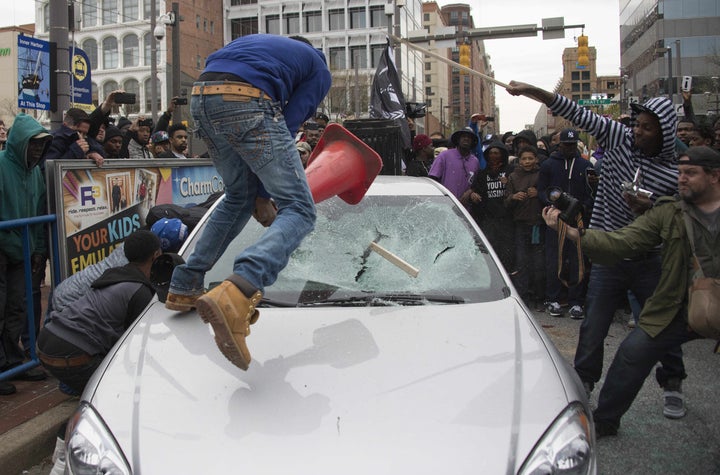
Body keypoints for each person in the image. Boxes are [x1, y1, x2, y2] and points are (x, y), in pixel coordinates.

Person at [506, 81, 687, 418]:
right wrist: (531, 90)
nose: (638, 132)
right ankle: (584, 384)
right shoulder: (618, 138)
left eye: (648, 128)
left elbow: (681, 216)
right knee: (593, 325)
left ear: (664, 131)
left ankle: (673, 382)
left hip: (650, 260)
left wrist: (651, 207)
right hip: (607, 256)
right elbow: (570, 109)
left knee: (664, 325)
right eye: (637, 124)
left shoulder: (675, 173)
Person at [164, 34, 331, 372]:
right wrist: (268, 195)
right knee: (299, 208)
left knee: (237, 197)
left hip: (201, 98)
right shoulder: (318, 67)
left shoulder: (261, 48)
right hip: (245, 99)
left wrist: (256, 195)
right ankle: (240, 289)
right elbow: (288, 122)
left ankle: (185, 284)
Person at [541, 145, 720, 438]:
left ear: (714, 176)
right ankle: (605, 421)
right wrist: (573, 233)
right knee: (632, 353)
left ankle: (672, 382)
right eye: (680, 173)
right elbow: (622, 242)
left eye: (691, 173)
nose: (682, 179)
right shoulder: (669, 213)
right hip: (680, 306)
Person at [0, 114, 52, 395]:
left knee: (17, 308)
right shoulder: (0, 165)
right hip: (3, 248)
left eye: (41, 146)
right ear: (20, 142)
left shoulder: (35, 174)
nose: (37, 150)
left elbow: (39, 213)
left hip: (22, 249)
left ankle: (13, 361)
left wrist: (38, 249)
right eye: (33, 144)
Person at [536, 128, 595, 319]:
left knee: (578, 258)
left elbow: (591, 193)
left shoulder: (584, 165)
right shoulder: (548, 165)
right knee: (554, 258)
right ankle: (552, 298)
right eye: (565, 144)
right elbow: (541, 191)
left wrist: (583, 208)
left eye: (572, 144)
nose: (569, 148)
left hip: (578, 219)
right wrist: (551, 204)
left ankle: (576, 302)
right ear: (559, 144)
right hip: (555, 219)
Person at [463, 139, 515, 272]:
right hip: (488, 219)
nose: (494, 156)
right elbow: (475, 190)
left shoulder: (511, 171)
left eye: (497, 153)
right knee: (490, 249)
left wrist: (508, 184)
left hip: (506, 219)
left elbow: (516, 190)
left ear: (503, 154)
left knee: (507, 251)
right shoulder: (482, 173)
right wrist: (473, 195)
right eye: (491, 153)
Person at [504, 145, 544, 309]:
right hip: (520, 225)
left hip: (538, 224)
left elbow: (551, 194)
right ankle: (523, 297)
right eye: (524, 159)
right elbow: (505, 201)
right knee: (521, 262)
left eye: (530, 158)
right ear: (519, 160)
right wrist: (514, 197)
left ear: (536, 159)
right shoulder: (513, 176)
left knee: (538, 262)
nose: (527, 162)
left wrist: (539, 194)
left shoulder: (541, 175)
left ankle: (539, 296)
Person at [428, 127, 480, 200]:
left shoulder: (475, 161)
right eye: (463, 136)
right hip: (445, 204)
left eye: (469, 137)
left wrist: (470, 192)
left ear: (472, 141)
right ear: (458, 140)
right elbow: (432, 180)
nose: (466, 139)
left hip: (465, 208)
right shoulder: (444, 156)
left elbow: (476, 185)